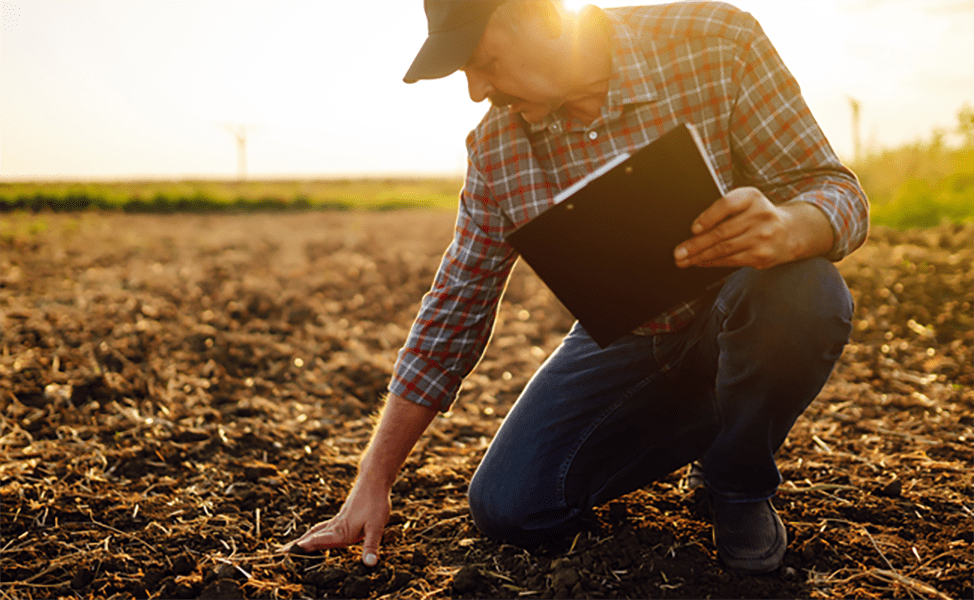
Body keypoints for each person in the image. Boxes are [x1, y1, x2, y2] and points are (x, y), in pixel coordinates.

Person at [285, 0, 868, 575]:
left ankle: (736, 479)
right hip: (628, 341)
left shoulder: (715, 41)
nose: (476, 91)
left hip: (743, 306)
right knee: (508, 507)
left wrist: (793, 227)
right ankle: (718, 419)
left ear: (540, 15)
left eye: (483, 60)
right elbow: (454, 308)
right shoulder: (497, 151)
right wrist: (374, 480)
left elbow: (833, 189)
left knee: (806, 294)